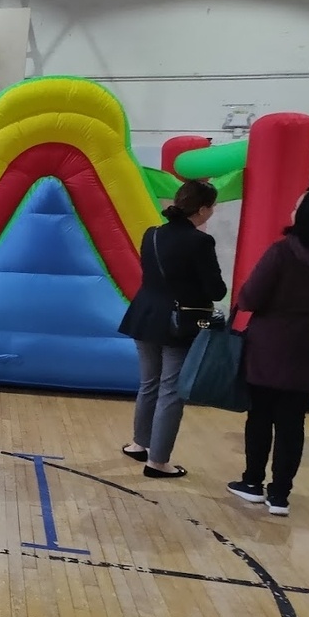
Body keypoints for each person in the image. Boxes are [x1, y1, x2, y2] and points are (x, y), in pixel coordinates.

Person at [118, 180, 227, 478]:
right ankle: (159, 462)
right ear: (203, 209)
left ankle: (139, 444)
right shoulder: (200, 242)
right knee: (171, 391)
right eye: (212, 207)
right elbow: (216, 290)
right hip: (179, 322)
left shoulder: (151, 234)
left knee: (149, 384)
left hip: (144, 315)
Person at [227, 184, 309, 516]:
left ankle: (252, 482)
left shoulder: (282, 252)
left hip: (270, 347)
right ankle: (280, 495)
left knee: (261, 416)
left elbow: (250, 297)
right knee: (293, 423)